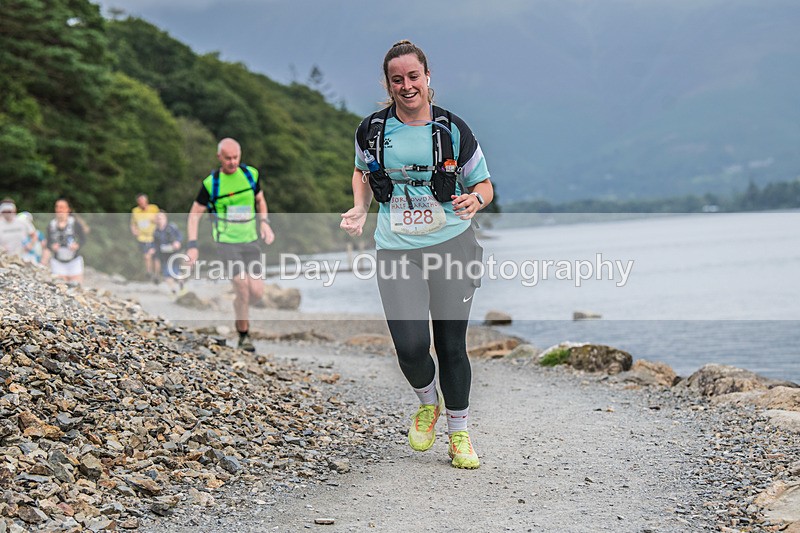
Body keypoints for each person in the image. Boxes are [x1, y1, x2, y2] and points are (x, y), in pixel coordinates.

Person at [341, 40, 494, 470]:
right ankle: (429, 403)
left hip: (452, 244)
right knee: (410, 346)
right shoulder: (371, 130)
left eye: (413, 77)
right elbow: (361, 170)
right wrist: (359, 207)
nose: (406, 86)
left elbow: (483, 184)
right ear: (387, 84)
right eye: (397, 79)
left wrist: (474, 202)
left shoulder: (453, 129)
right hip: (396, 250)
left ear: (427, 78)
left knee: (451, 345)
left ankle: (459, 433)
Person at [186, 138, 275, 352]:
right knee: (242, 287)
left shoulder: (250, 175)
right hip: (226, 243)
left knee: (257, 292)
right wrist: (192, 245)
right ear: (219, 157)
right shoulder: (211, 184)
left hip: (250, 240)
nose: (233, 162)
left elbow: (260, 200)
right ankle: (244, 336)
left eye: (236, 157)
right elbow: (194, 215)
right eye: (228, 158)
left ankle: (239, 304)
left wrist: (264, 223)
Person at [46, 198, 86, 284]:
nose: (59, 209)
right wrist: (52, 247)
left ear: (68, 209)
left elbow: (83, 238)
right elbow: (48, 242)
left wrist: (77, 245)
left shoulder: (74, 223)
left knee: (76, 289)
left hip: (74, 261)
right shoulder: (51, 225)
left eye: (62, 207)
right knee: (61, 289)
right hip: (58, 262)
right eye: (57, 207)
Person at [148, 210, 185, 295]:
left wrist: (177, 242)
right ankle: (173, 290)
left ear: (165, 218)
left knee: (175, 270)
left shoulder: (171, 227)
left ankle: (181, 283)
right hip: (163, 254)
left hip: (173, 252)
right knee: (166, 273)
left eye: (161, 217)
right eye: (158, 218)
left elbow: (179, 236)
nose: (159, 219)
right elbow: (154, 243)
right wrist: (152, 249)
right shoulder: (156, 231)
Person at [130, 193, 160, 281]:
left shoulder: (153, 208)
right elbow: (133, 224)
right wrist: (134, 231)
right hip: (142, 238)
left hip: (154, 236)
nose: (142, 203)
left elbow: (160, 219)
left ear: (147, 201)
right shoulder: (135, 211)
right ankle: (149, 272)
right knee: (147, 256)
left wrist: (154, 220)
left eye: (143, 201)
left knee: (156, 256)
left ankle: (157, 274)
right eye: (140, 202)